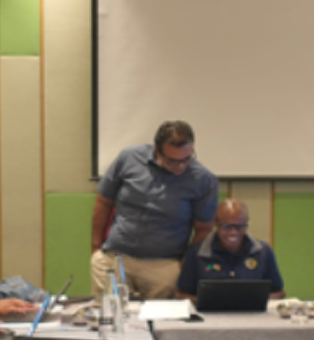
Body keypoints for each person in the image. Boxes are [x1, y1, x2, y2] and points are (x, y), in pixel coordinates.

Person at [91, 120, 219, 300]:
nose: (180, 166)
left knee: (162, 323)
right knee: (111, 318)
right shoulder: (128, 157)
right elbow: (103, 201)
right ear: (156, 150)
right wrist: (96, 247)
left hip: (164, 264)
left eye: (186, 159)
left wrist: (184, 264)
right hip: (115, 255)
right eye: (172, 161)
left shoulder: (204, 180)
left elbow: (203, 229)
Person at [176, 198, 284, 301]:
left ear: (246, 224)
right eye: (226, 226)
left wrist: (256, 301)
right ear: (216, 224)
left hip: (251, 314)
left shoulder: (263, 251)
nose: (233, 232)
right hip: (210, 315)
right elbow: (181, 294)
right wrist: (208, 302)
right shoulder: (196, 252)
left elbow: (278, 292)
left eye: (239, 226)